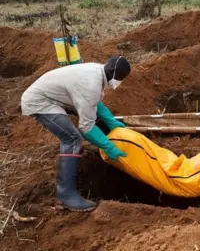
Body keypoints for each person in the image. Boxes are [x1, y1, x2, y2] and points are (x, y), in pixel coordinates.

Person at [21, 56, 131, 212]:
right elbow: (86, 127)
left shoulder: (98, 71)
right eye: (120, 78)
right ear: (113, 71)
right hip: (40, 101)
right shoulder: (91, 84)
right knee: (72, 139)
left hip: (52, 96)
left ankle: (67, 194)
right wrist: (108, 146)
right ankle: (66, 196)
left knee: (72, 137)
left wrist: (111, 121)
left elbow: (95, 103)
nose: (120, 82)